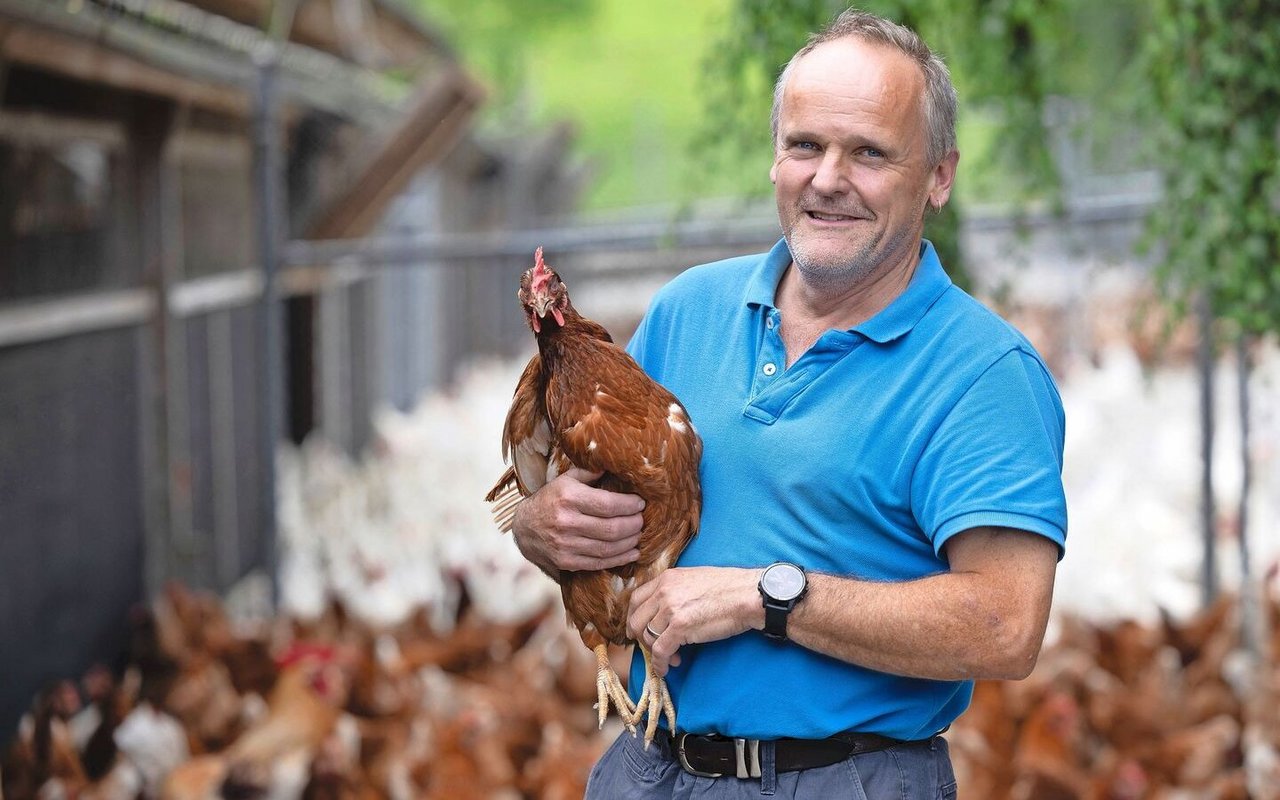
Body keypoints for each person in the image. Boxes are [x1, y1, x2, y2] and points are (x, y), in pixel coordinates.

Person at [511, 8, 1066, 799]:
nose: (828, 178)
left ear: (939, 176)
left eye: (869, 152)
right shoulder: (686, 310)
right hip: (651, 765)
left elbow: (1006, 628)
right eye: (805, 145)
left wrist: (761, 596)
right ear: (776, 160)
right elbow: (589, 500)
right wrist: (542, 527)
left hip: (844, 777)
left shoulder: (982, 372)